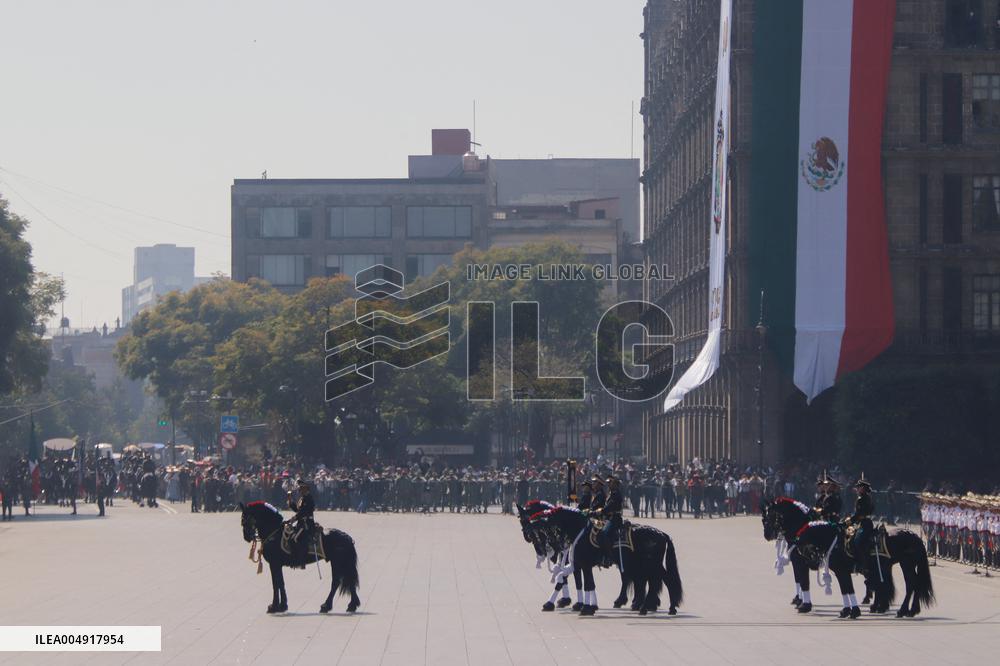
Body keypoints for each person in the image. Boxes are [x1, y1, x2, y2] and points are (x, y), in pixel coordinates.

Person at [845, 475, 875, 570]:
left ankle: (863, 563)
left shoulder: (861, 499)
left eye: (858, 487)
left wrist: (849, 521)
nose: (857, 489)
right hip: (865, 522)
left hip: (864, 524)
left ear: (862, 488)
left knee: (857, 541)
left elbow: (858, 514)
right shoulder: (867, 497)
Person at [287, 479, 316, 561]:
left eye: (301, 488)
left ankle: (300, 559)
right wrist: (290, 501)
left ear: (305, 488)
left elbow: (304, 512)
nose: (299, 490)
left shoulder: (308, 498)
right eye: (299, 488)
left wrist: (294, 518)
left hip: (306, 524)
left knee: (294, 539)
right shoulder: (302, 498)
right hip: (301, 522)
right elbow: (298, 510)